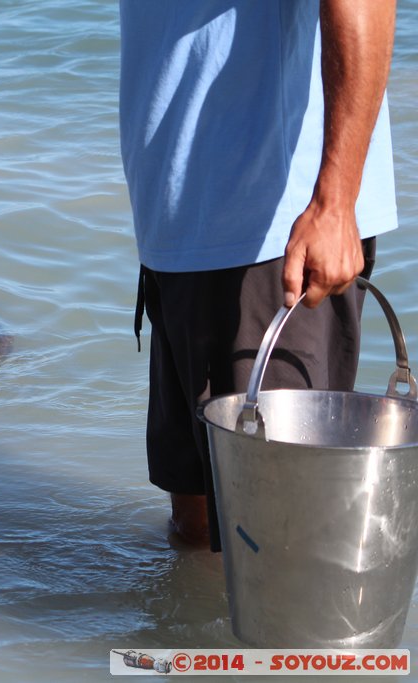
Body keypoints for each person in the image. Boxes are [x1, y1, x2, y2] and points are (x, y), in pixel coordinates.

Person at [119, 1, 398, 549]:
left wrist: (336, 204)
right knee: (196, 531)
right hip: (179, 228)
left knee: (279, 547)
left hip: (275, 233)